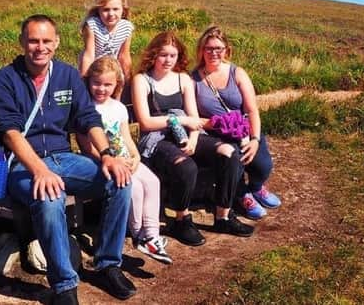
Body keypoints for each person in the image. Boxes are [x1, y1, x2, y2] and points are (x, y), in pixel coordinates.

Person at [0, 14, 136, 304]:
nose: (39, 47)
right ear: (22, 42)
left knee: (119, 181)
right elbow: (10, 133)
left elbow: (87, 117)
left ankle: (108, 264)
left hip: (64, 157)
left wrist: (107, 155)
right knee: (49, 196)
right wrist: (40, 170)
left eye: (46, 41)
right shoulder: (5, 79)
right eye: (33, 40)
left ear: (56, 43)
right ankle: (64, 286)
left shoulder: (67, 75)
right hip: (23, 164)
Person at [132, 31, 254, 247]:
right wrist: (177, 121)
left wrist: (194, 139)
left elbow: (194, 117)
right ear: (153, 55)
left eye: (173, 55)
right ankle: (181, 220)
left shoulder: (183, 79)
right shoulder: (142, 80)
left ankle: (223, 216)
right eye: (163, 55)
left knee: (229, 152)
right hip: (156, 139)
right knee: (186, 166)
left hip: (187, 132)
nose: (168, 60)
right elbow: (145, 122)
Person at [77, 56, 172, 264]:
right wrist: (110, 160)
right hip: (102, 161)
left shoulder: (118, 108)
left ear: (116, 85)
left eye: (107, 84)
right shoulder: (86, 108)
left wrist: (136, 156)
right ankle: (138, 235)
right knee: (134, 187)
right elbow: (86, 146)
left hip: (126, 157)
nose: (101, 89)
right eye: (96, 83)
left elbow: (125, 136)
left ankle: (152, 235)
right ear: (89, 81)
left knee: (152, 182)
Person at [192, 25, 282, 220]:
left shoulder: (237, 73)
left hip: (243, 129)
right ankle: (242, 195)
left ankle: (257, 187)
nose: (214, 53)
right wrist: (217, 123)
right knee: (234, 161)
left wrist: (255, 139)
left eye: (218, 49)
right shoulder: (193, 79)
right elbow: (193, 117)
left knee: (262, 165)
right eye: (209, 49)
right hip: (216, 132)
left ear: (226, 50)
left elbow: (252, 110)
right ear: (201, 50)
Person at [78, 0, 134, 98]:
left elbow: (124, 56)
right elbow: (89, 54)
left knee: (120, 84)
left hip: (114, 68)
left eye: (115, 9)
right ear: (98, 11)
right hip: (95, 68)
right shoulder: (92, 25)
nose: (111, 14)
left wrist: (130, 80)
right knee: (92, 94)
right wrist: (83, 80)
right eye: (106, 10)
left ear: (123, 10)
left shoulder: (127, 27)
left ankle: (116, 110)